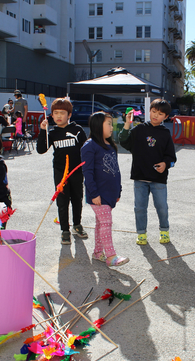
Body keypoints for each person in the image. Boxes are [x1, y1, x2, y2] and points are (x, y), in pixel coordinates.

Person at [119, 99, 177, 245]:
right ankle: (141, 233)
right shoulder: (139, 130)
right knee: (139, 208)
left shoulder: (165, 133)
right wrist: (127, 123)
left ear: (166, 116)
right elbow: (123, 141)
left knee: (162, 207)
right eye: (153, 112)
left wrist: (165, 164)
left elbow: (172, 158)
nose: (156, 115)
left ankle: (164, 231)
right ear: (149, 111)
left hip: (158, 179)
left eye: (160, 113)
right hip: (140, 177)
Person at [37, 98, 88, 244]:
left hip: (77, 171)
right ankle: (65, 230)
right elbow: (41, 149)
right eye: (55, 113)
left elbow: (86, 150)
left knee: (77, 199)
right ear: (51, 115)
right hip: (60, 172)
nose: (59, 116)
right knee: (62, 201)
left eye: (62, 113)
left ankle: (77, 225)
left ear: (69, 114)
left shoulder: (77, 130)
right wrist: (42, 130)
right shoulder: (52, 133)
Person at [81, 112, 129, 267]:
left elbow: (116, 170)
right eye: (108, 123)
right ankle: (111, 255)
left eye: (111, 123)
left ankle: (97, 253)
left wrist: (118, 191)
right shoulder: (89, 146)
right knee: (106, 223)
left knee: (101, 224)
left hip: (110, 193)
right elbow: (87, 172)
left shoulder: (111, 146)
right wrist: (93, 193)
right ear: (97, 125)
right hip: (98, 195)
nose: (111, 126)